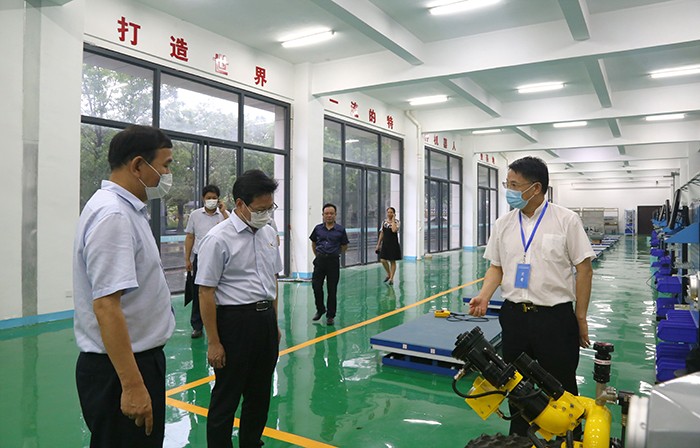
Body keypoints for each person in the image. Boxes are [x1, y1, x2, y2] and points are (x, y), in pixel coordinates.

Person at [468, 156, 595, 437]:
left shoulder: (566, 220)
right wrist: (484, 295)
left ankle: (569, 440)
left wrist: (580, 318)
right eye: (507, 184)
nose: (508, 190)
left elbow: (584, 269)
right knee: (516, 388)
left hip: (555, 319)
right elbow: (496, 267)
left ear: (535, 188)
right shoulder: (503, 224)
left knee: (562, 390)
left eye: (514, 185)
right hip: (515, 318)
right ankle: (520, 440)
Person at [73, 125, 176, 447]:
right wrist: (132, 385)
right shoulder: (113, 215)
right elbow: (106, 305)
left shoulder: (127, 211)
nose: (167, 175)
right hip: (121, 369)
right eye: (165, 165)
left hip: (134, 361)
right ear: (138, 166)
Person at [195, 169, 282, 448]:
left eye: (270, 208)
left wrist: (274, 323)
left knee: (260, 393)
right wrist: (214, 342)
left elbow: (273, 279)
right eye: (260, 209)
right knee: (227, 397)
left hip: (264, 321)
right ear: (240, 204)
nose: (266, 214)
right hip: (234, 324)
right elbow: (206, 292)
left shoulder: (269, 233)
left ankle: (251, 442)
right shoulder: (218, 239)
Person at [184, 184, 229, 339]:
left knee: (220, 292)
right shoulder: (195, 215)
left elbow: (233, 229)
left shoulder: (224, 215)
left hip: (221, 259)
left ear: (218, 199)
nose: (211, 200)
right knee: (200, 292)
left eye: (214, 198)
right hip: (201, 258)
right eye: (208, 197)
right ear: (203, 198)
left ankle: (219, 324)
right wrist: (187, 258)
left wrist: (224, 212)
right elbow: (190, 236)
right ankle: (197, 326)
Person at [309, 203, 349, 326]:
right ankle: (320, 309)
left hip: (333, 262)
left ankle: (330, 315)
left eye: (331, 213)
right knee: (316, 286)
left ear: (335, 215)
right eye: (326, 213)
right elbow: (313, 243)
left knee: (332, 290)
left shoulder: (340, 230)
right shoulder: (318, 229)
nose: (329, 215)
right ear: (323, 215)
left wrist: (335, 253)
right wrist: (318, 255)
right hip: (320, 261)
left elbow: (344, 246)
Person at [375, 206, 402, 285]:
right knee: (383, 260)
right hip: (385, 244)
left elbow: (394, 230)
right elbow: (382, 233)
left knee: (392, 260)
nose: (389, 214)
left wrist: (393, 220)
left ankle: (391, 278)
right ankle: (389, 273)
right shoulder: (384, 222)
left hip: (393, 244)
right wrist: (378, 244)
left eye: (391, 212)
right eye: (388, 212)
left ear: (394, 214)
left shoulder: (397, 222)